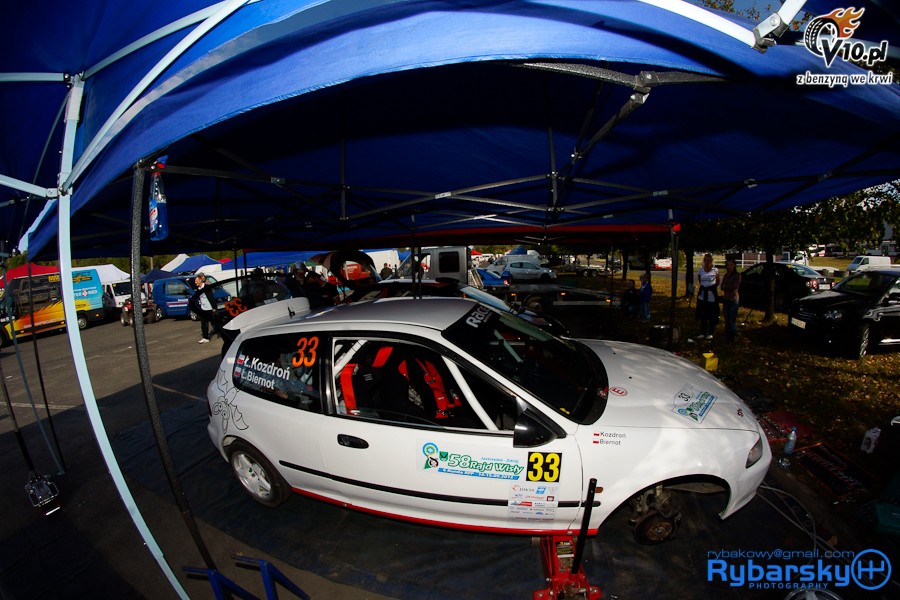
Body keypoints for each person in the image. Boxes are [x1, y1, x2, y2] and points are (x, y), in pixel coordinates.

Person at [695, 253, 720, 339]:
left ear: (711, 261)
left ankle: (710, 332)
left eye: (709, 260)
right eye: (705, 260)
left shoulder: (715, 270)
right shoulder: (700, 270)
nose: (707, 262)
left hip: (711, 295)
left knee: (712, 315)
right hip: (702, 295)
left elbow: (718, 282)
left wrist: (710, 287)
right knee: (703, 314)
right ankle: (703, 332)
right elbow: (700, 280)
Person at [191, 273, 220, 344]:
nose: (195, 282)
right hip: (203, 309)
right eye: (195, 281)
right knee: (203, 324)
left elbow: (211, 298)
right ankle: (205, 338)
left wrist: (214, 308)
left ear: (200, 280)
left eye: (196, 281)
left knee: (214, 322)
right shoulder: (198, 289)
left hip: (209, 309)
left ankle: (221, 333)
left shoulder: (206, 288)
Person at [720, 258, 741, 342]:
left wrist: (726, 287)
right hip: (726, 299)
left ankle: (732, 337)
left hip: (733, 300)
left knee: (732, 319)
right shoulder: (726, 275)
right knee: (726, 319)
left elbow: (735, 286)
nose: (729, 267)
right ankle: (727, 336)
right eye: (728, 265)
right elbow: (722, 286)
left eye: (731, 265)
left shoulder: (737, 275)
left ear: (734, 265)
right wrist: (726, 287)